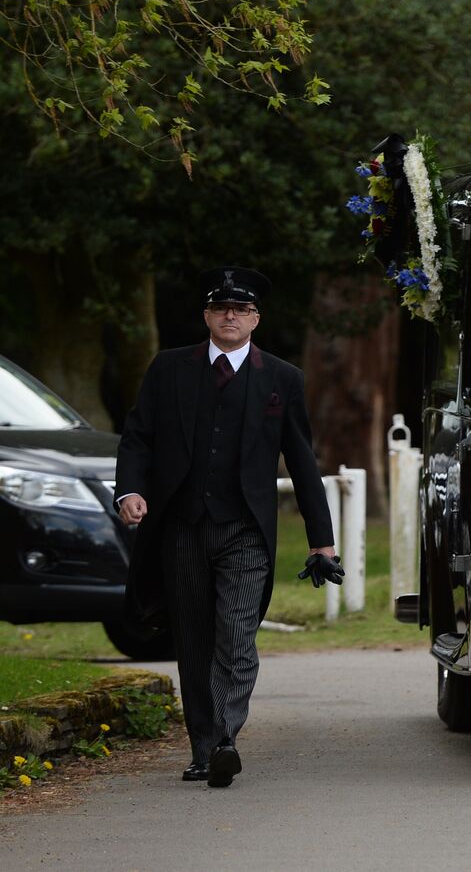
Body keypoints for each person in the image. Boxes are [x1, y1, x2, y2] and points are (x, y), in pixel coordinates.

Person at [115, 267, 338, 789]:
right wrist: (131, 490)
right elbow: (137, 437)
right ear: (206, 316)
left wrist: (321, 542)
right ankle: (203, 749)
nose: (230, 316)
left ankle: (224, 739)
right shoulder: (169, 369)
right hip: (181, 529)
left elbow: (302, 463)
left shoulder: (282, 378)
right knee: (192, 642)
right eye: (220, 308)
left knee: (236, 638)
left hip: (244, 532)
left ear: (256, 318)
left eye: (240, 309)